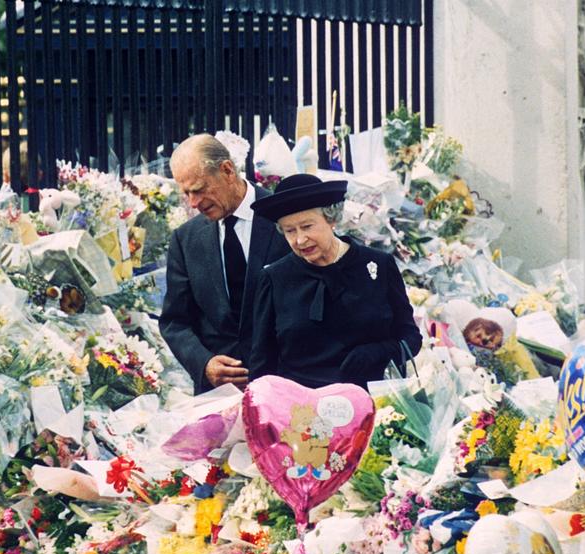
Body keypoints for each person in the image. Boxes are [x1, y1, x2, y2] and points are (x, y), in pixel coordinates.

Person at [248, 173, 422, 389]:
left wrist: (379, 352)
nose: (300, 240)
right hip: (302, 410)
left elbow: (411, 337)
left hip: (375, 404)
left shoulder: (378, 265)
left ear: (331, 219)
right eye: (290, 231)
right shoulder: (274, 279)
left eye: (307, 226)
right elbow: (262, 365)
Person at [160, 134, 289, 393]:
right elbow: (175, 321)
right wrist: (204, 363)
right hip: (217, 397)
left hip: (285, 386)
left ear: (227, 171)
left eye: (198, 189)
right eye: (186, 193)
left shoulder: (285, 220)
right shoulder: (185, 239)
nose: (194, 203)